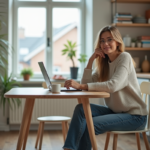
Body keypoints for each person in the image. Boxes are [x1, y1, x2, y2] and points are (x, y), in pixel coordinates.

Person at [63, 26, 148, 150]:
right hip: (116, 111)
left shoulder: (125, 57)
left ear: (117, 42)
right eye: (102, 40)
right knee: (81, 109)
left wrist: (81, 86)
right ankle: (69, 148)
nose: (105, 43)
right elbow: (86, 83)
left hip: (135, 116)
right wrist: (91, 60)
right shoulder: (104, 63)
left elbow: (113, 85)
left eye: (109, 39)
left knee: (90, 125)